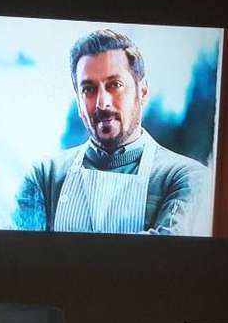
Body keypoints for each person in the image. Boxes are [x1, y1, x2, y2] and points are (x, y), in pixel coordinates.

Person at [13, 29, 210, 235]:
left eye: (115, 85)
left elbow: (165, 253)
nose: (102, 103)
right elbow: (20, 250)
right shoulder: (44, 176)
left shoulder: (185, 177)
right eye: (88, 89)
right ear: (79, 103)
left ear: (142, 92)